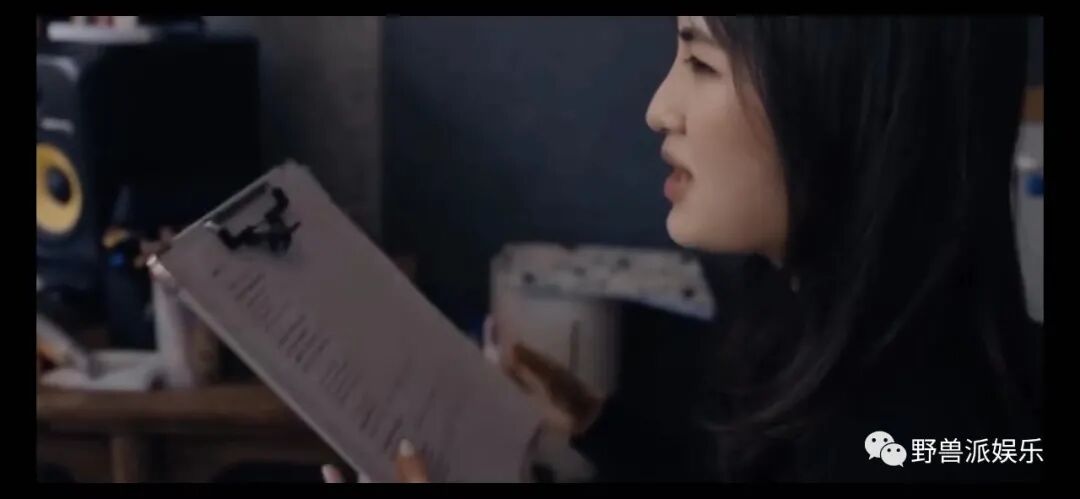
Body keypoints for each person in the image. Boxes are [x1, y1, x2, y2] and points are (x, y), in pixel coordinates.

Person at [326, 15, 1042, 483]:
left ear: (843, 97)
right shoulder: (800, 315)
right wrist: (596, 425)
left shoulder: (925, 440)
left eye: (700, 62)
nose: (659, 108)